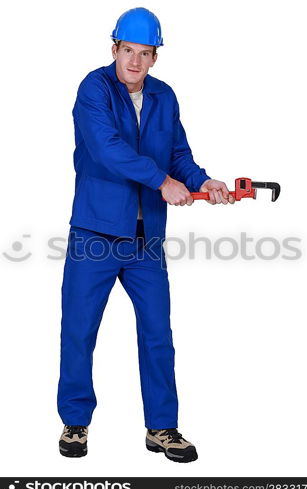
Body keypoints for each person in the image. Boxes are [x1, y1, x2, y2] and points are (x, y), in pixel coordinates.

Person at [57, 6, 235, 463]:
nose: (135, 62)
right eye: (127, 51)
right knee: (80, 331)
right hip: (95, 232)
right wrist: (162, 182)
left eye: (145, 53)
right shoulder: (93, 89)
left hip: (146, 239)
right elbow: (107, 148)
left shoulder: (165, 96)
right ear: (114, 49)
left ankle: (162, 427)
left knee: (158, 334)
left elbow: (177, 153)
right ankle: (75, 422)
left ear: (156, 57)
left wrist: (202, 182)